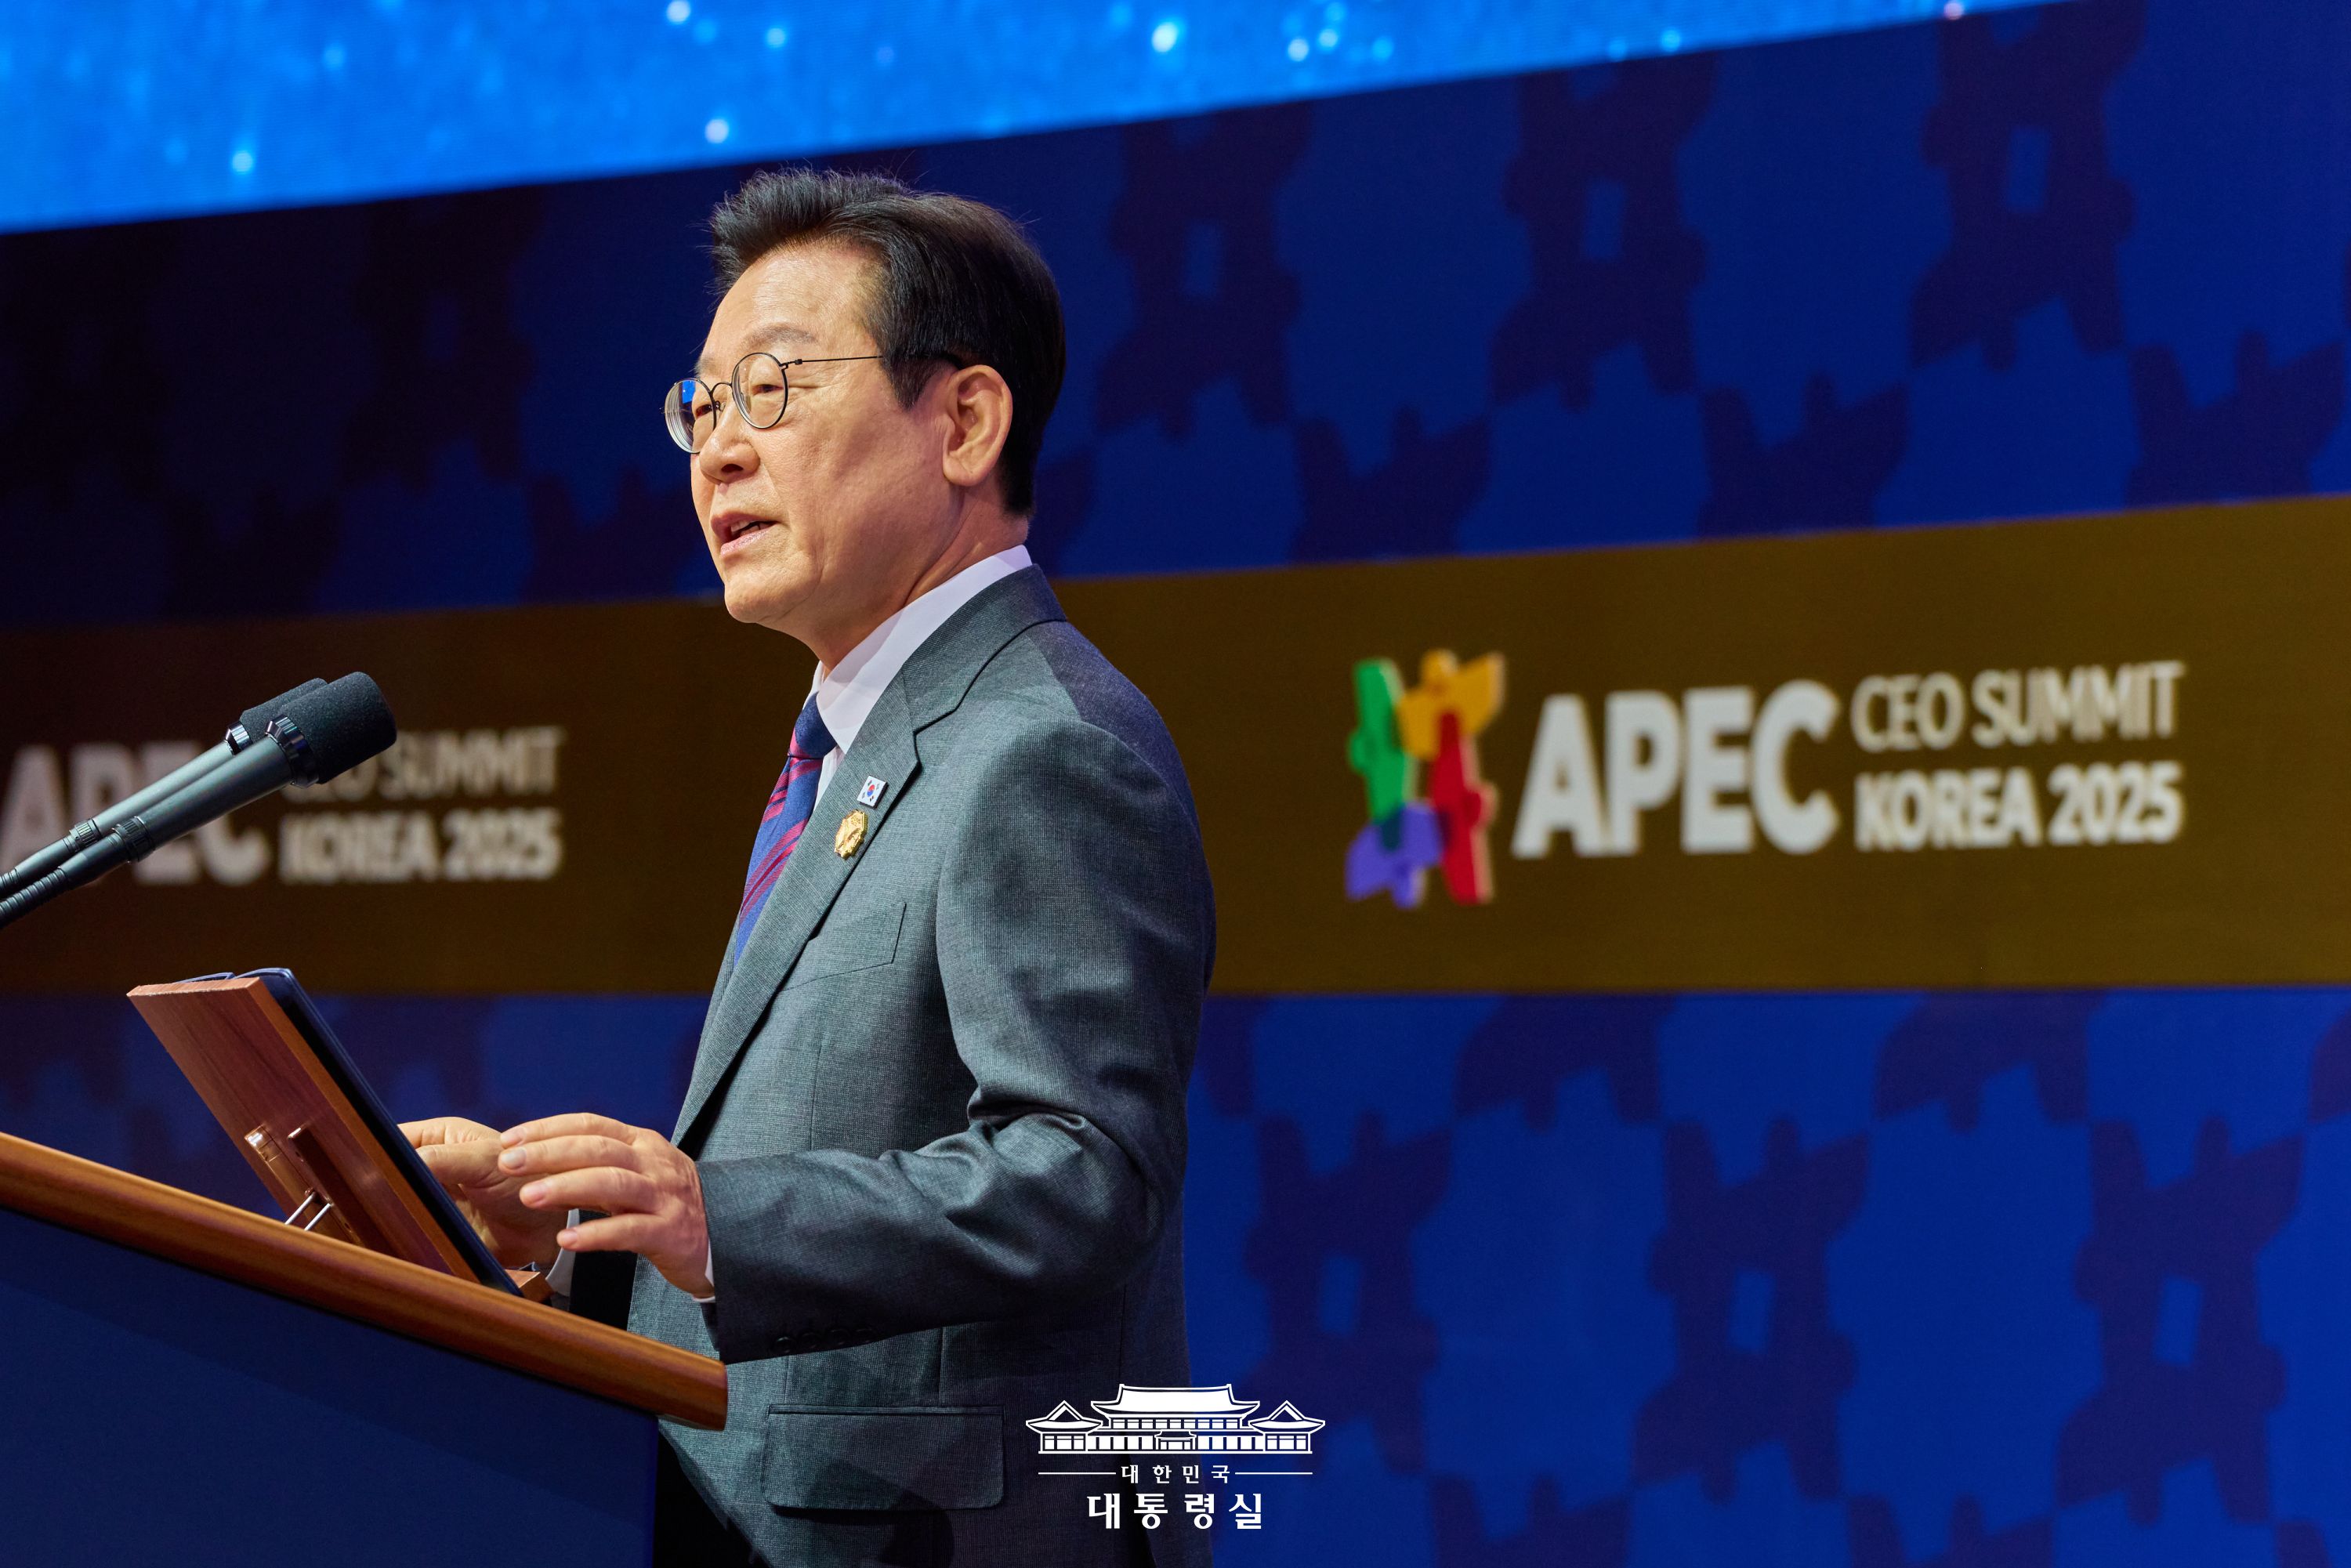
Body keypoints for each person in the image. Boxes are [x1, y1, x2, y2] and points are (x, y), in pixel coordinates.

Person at [403, 168, 1213, 1568]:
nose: (716, 452)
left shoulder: (1044, 745)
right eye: (701, 407)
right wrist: (574, 1236)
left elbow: (1085, 1173)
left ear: (963, 420)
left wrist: (712, 1213)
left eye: (773, 389)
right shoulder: (857, 739)